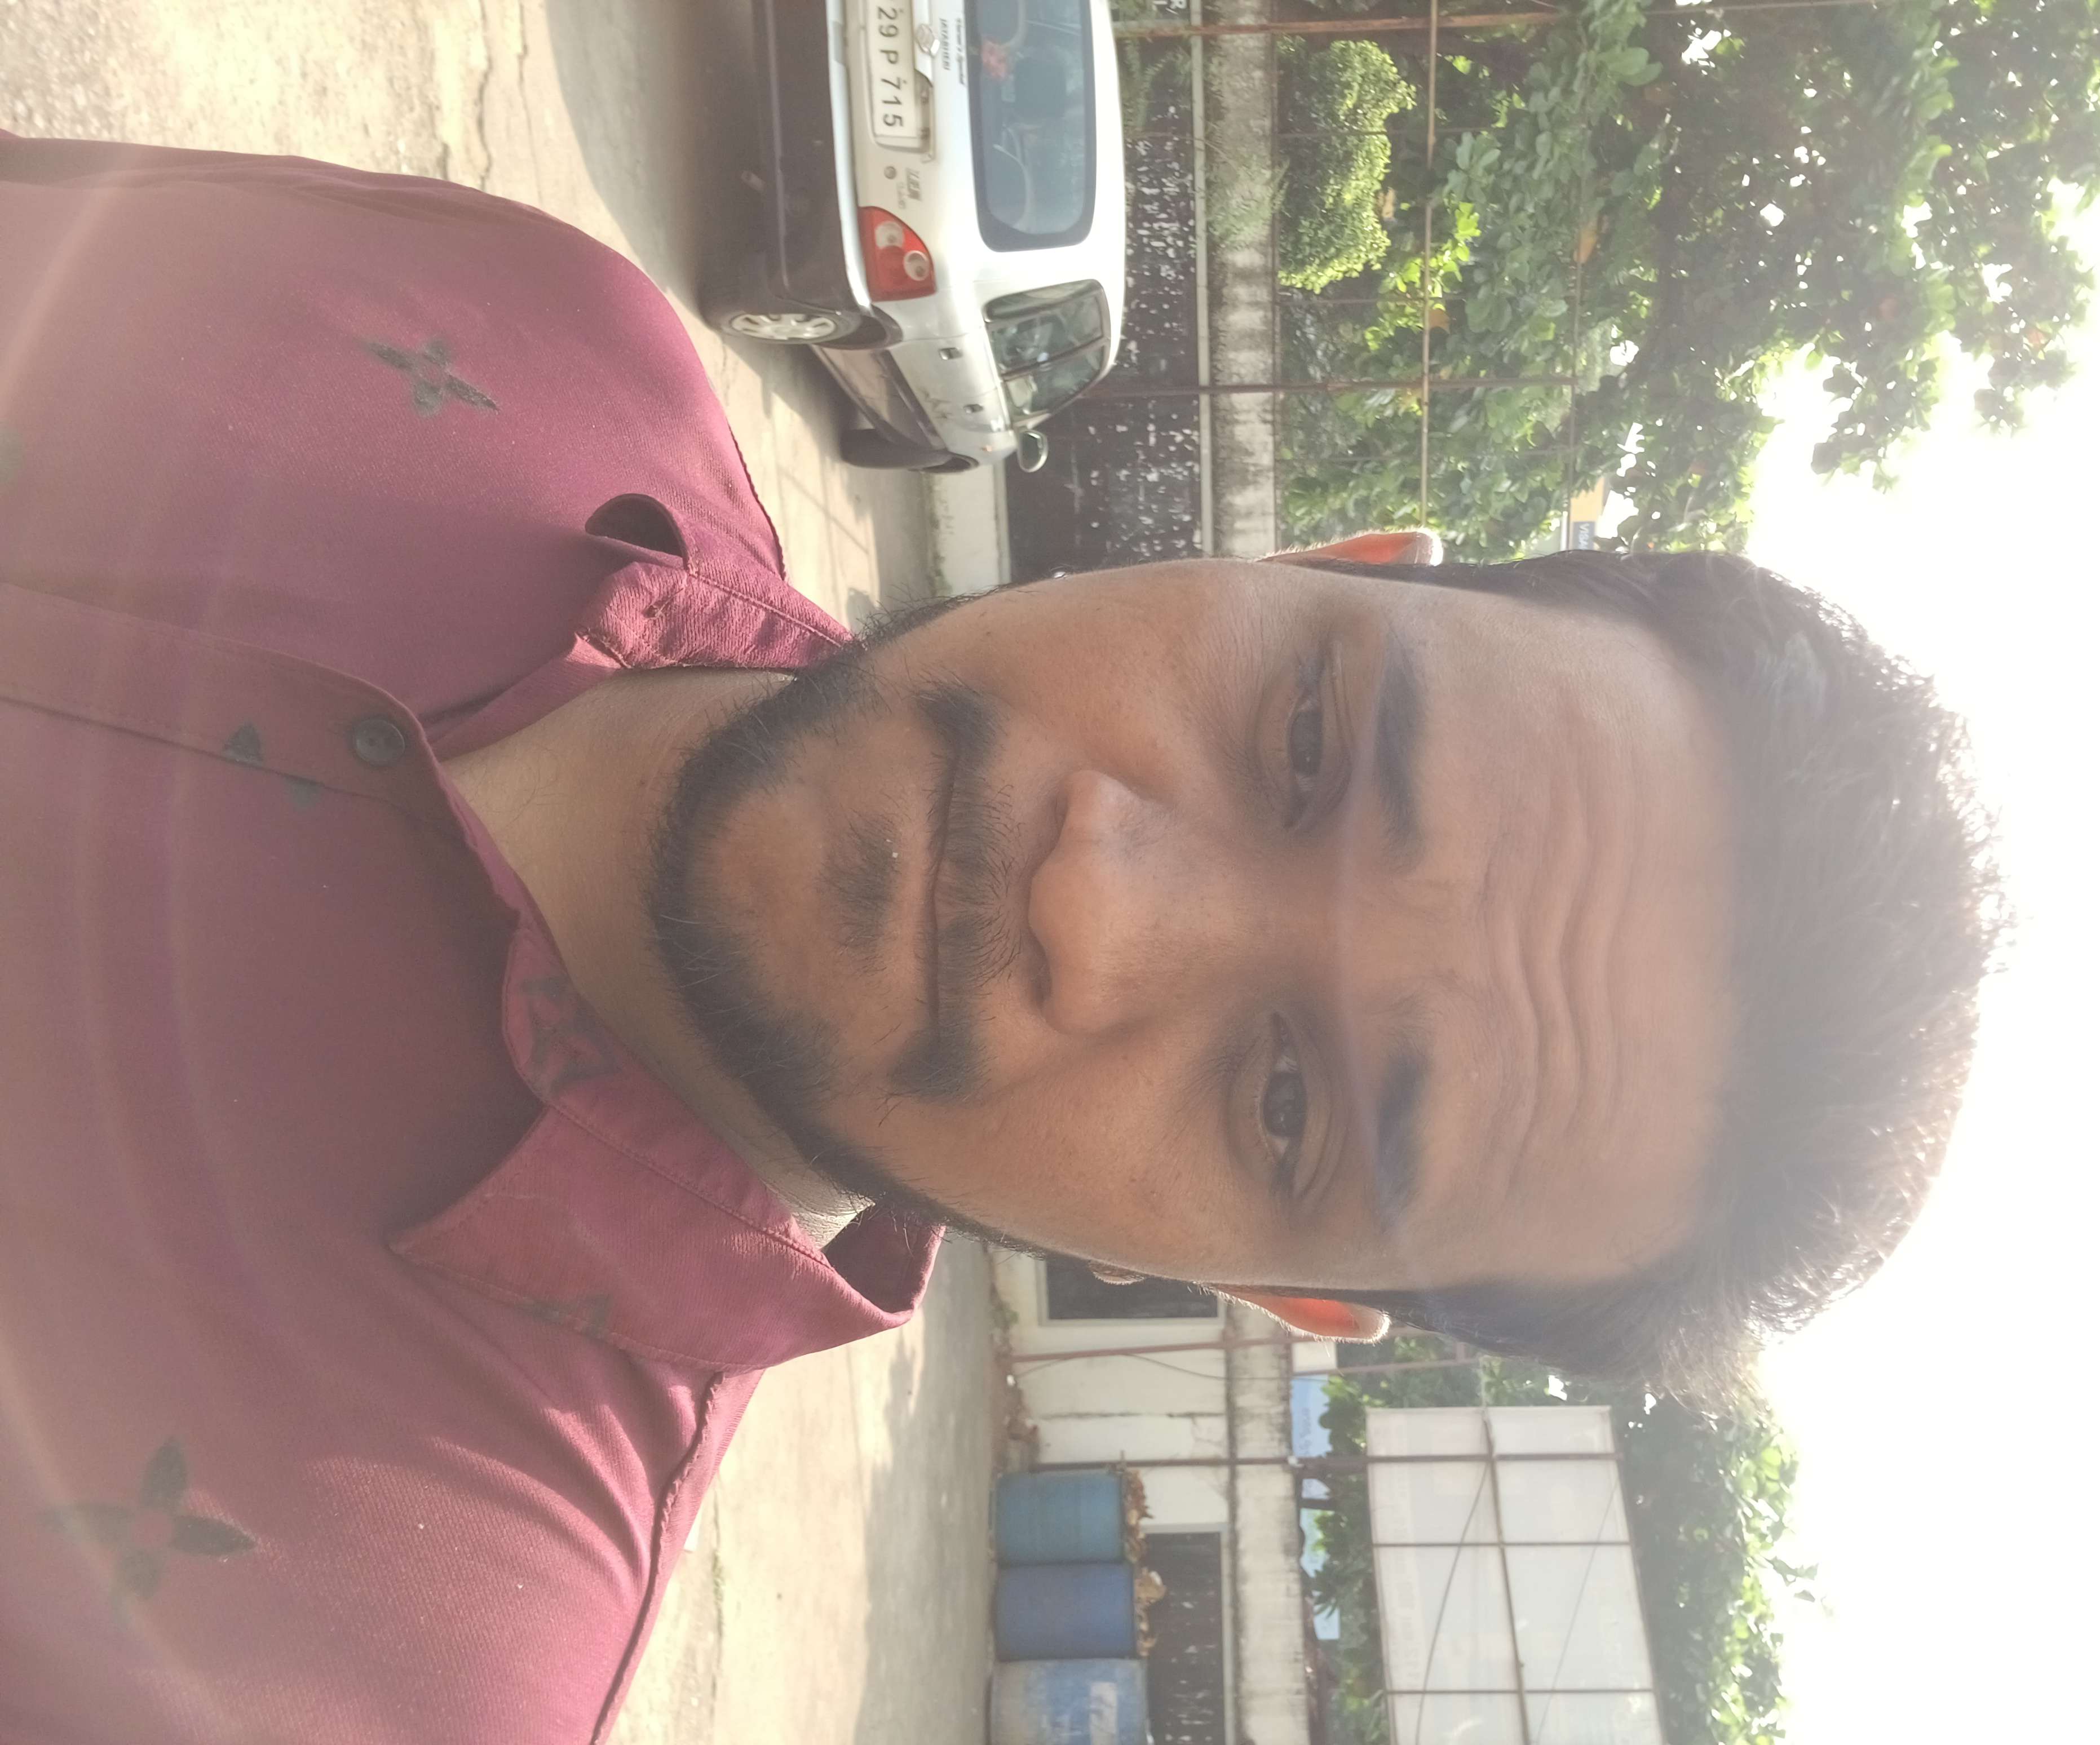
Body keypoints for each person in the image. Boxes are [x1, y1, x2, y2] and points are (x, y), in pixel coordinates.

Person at [0, 135, 2000, 1742]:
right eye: (1309, 740)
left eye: (1286, 1100)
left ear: (1267, 1290)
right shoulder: (544, 329)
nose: (1098, 901)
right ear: (1315, 558)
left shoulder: (380, 1664)